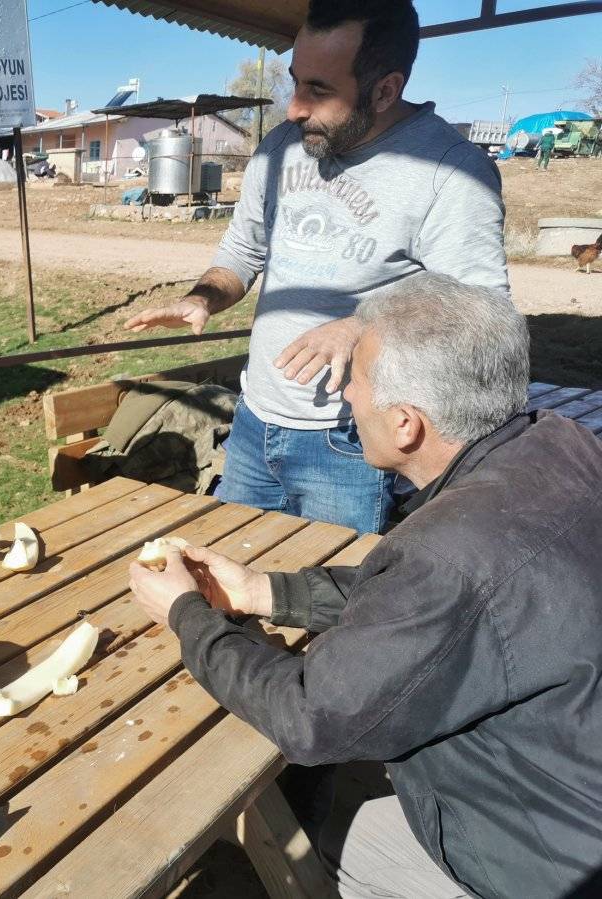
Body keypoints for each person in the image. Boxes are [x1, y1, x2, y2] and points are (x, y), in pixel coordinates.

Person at [129, 273, 602, 899]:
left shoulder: (451, 549)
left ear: (406, 423)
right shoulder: (556, 442)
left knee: (335, 835)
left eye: (357, 377)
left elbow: (311, 719)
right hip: (572, 770)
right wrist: (261, 592)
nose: (347, 394)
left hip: (547, 856)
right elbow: (431, 598)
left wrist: (188, 615)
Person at [124, 0, 508, 536]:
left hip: (349, 443)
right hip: (255, 422)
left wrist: (361, 326)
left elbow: (479, 311)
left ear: (384, 89)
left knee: (326, 602)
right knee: (231, 571)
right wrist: (203, 297)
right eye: (295, 82)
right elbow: (244, 249)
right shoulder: (282, 147)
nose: (294, 109)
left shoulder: (450, 172)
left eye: (319, 90)